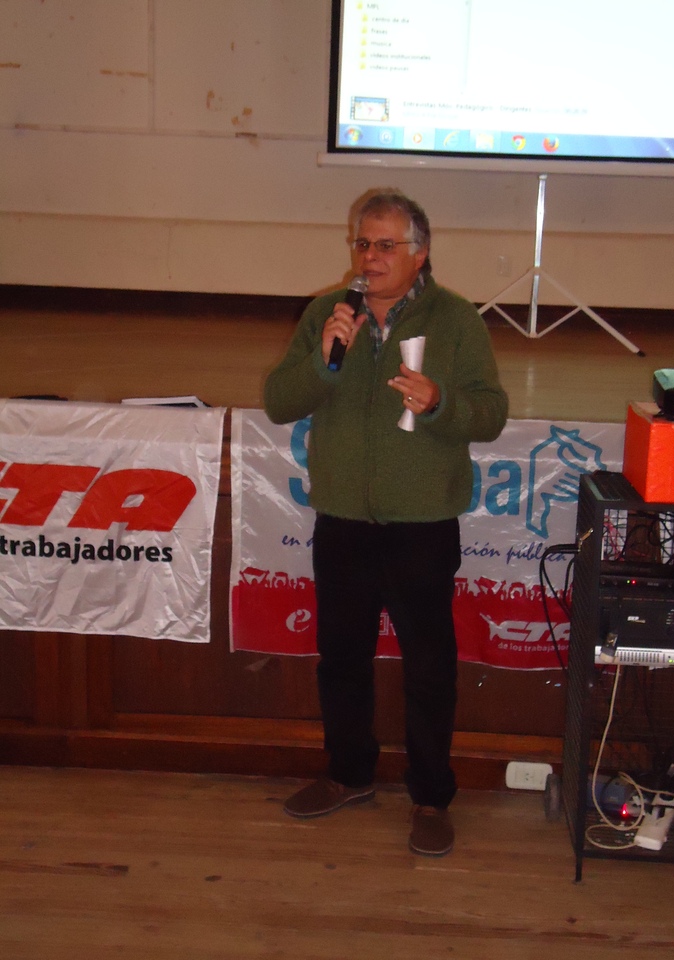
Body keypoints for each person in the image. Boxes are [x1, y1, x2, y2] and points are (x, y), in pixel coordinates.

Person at [263, 190, 508, 856]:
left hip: (421, 522)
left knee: (429, 667)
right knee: (342, 658)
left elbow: (490, 414)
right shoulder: (327, 313)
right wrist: (323, 360)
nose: (369, 258)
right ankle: (348, 775)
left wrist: (440, 402)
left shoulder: (456, 319)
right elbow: (279, 401)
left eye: (384, 246)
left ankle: (430, 796)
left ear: (419, 254)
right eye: (362, 244)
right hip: (343, 517)